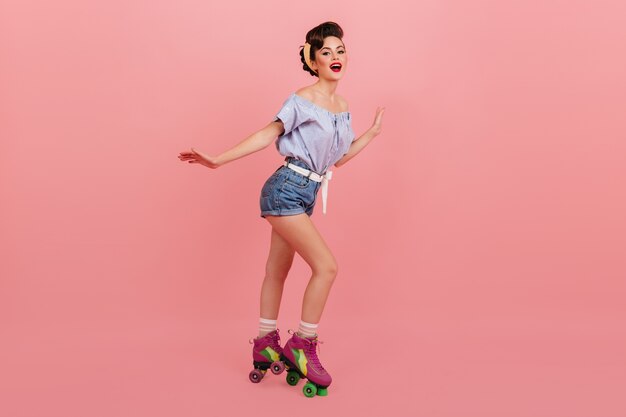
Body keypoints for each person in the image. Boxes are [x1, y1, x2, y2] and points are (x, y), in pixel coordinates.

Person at [178, 21, 385, 397]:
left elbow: (337, 160)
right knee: (327, 266)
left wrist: (369, 135)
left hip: (305, 191)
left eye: (340, 50)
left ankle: (265, 341)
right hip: (285, 189)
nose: (335, 57)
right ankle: (303, 345)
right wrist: (219, 160)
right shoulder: (303, 99)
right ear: (313, 59)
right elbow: (269, 132)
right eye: (326, 52)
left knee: (277, 270)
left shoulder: (342, 107)